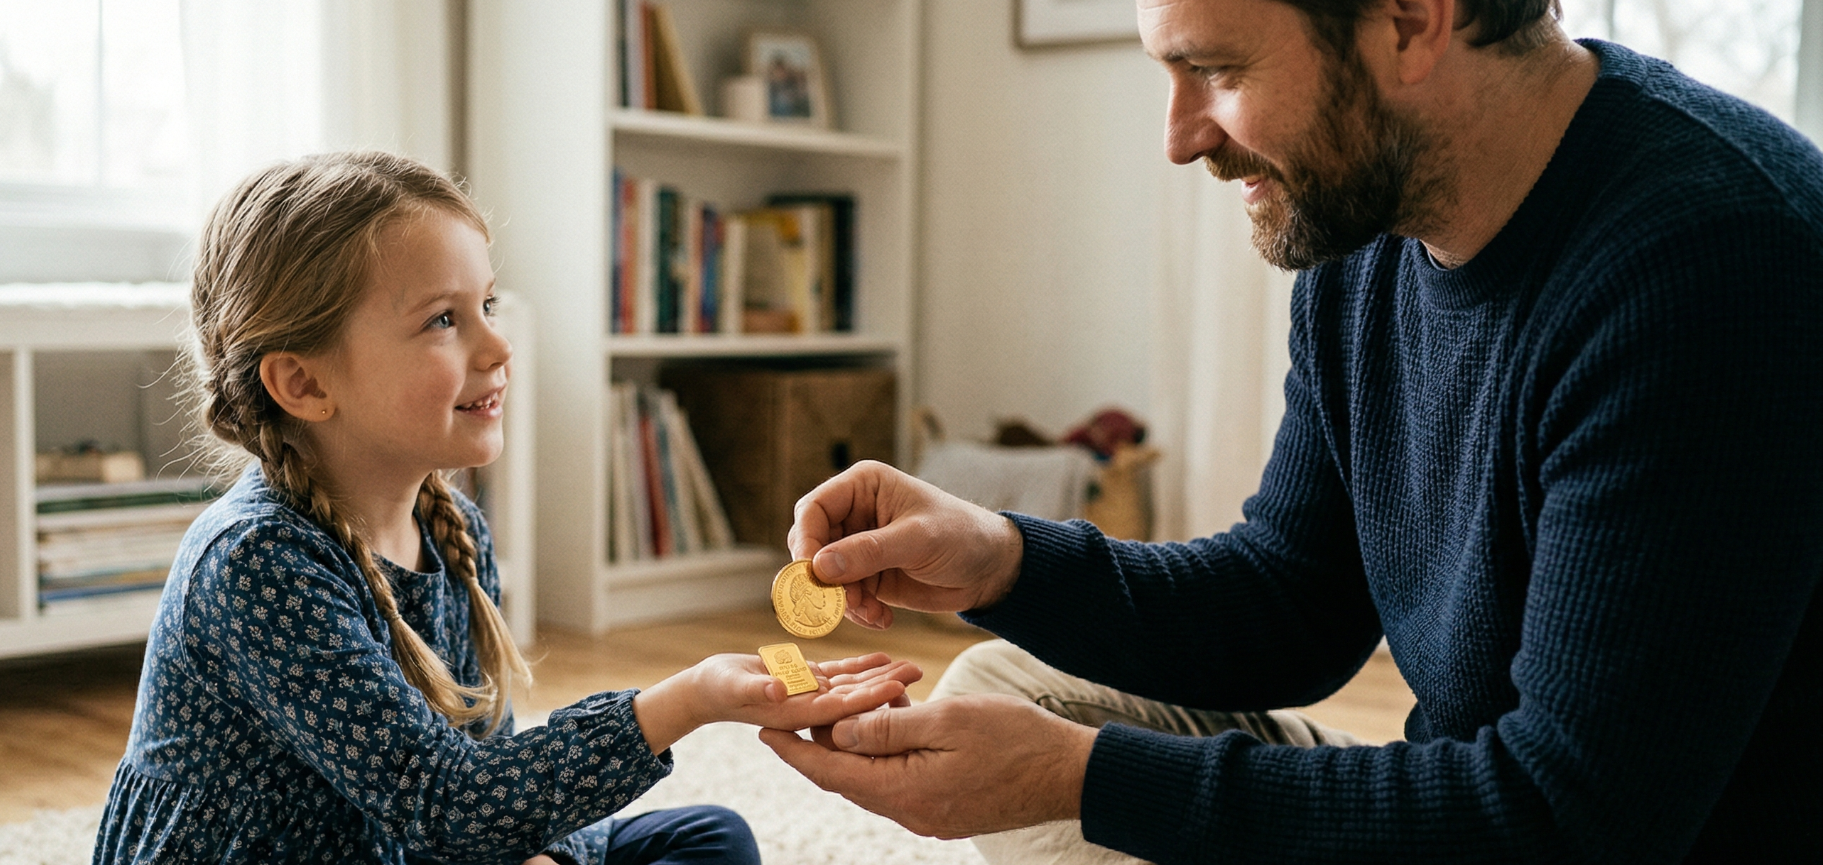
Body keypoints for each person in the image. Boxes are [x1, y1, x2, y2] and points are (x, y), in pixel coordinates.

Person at [761, 0, 1822, 861]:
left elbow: (1568, 819)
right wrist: (1000, 559)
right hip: (1508, 809)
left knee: (1069, 764)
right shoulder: (1368, 226)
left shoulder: (1712, 264)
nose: (1179, 138)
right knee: (1006, 687)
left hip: (1587, 834)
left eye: (1217, 71)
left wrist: (1079, 780)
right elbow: (1292, 600)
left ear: (1409, 21)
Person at [91, 152, 922, 865]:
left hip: (413, 839)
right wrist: (691, 697)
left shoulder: (451, 531)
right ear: (303, 382)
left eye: (486, 306)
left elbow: (494, 779)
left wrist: (544, 852)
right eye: (442, 320)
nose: (498, 345)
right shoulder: (256, 562)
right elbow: (449, 803)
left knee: (710, 837)